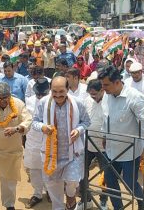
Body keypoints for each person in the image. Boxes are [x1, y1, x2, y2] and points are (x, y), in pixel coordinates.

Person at [31, 76, 90, 210]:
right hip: (50, 154)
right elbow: (34, 122)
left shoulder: (77, 103)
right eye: (54, 92)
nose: (58, 95)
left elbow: (86, 122)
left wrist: (78, 130)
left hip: (72, 153)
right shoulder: (43, 103)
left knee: (72, 181)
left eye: (61, 92)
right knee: (53, 186)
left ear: (68, 89)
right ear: (50, 90)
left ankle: (70, 195)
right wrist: (43, 127)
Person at [98, 65, 144, 210]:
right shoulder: (107, 96)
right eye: (102, 85)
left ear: (117, 82)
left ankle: (142, 202)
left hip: (129, 151)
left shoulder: (134, 97)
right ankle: (118, 208)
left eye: (106, 85)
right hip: (110, 149)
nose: (104, 88)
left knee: (129, 182)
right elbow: (105, 118)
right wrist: (104, 135)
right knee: (110, 181)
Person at [76, 79, 109, 210]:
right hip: (87, 144)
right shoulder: (87, 100)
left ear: (102, 90)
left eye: (95, 94)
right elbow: (82, 119)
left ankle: (103, 201)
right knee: (82, 173)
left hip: (104, 147)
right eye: (90, 94)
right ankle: (86, 199)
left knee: (106, 175)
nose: (93, 96)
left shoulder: (109, 101)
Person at [24, 78, 50, 209]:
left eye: (42, 94)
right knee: (34, 169)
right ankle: (37, 194)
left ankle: (50, 191)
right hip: (33, 140)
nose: (40, 97)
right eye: (38, 94)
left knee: (49, 168)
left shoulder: (54, 100)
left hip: (48, 139)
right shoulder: (29, 101)